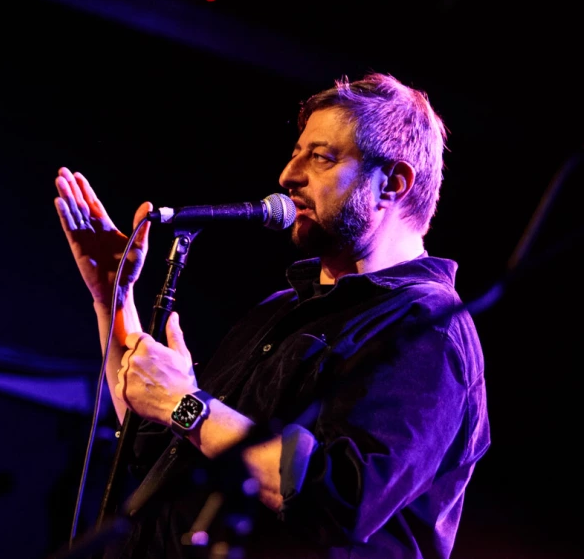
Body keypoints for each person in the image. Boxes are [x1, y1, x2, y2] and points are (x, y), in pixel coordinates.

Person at [53, 72, 490, 558]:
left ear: (392, 183)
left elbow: (342, 496)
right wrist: (114, 298)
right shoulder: (282, 309)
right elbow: (157, 437)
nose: (288, 174)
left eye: (322, 157)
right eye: (296, 151)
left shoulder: (427, 328)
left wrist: (185, 402)